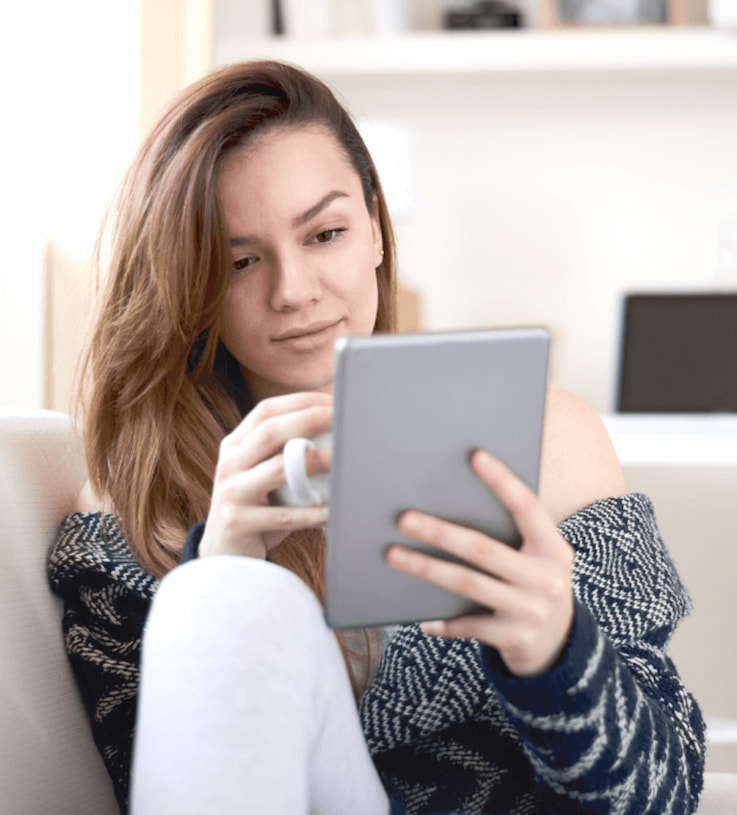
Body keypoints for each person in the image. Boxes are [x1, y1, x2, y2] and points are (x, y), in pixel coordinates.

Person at [48, 60, 705, 815]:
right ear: (190, 282)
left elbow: (663, 795)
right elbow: (152, 789)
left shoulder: (545, 438)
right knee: (224, 597)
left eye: (325, 233)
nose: (293, 289)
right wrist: (220, 571)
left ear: (375, 232)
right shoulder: (134, 506)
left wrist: (556, 650)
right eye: (239, 261)